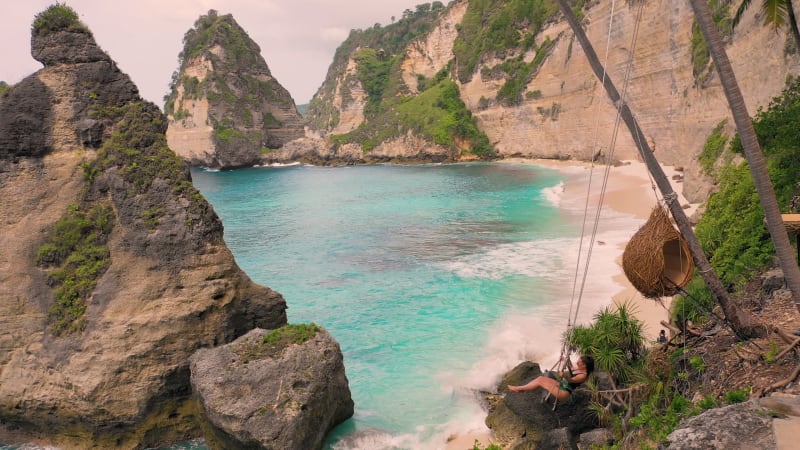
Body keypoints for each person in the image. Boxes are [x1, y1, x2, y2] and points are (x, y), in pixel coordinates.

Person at [507, 355, 595, 402]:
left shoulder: (583, 375)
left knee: (540, 381)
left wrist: (565, 376)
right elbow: (571, 367)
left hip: (564, 392)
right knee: (541, 378)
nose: (578, 361)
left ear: (584, 365)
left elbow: (571, 380)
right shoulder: (579, 368)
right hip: (561, 385)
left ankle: (519, 389)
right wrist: (564, 360)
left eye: (580, 361)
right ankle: (521, 389)